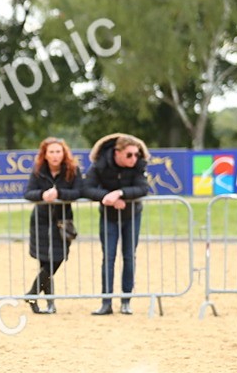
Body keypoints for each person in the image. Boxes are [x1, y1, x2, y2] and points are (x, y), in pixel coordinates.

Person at [82, 132, 150, 315]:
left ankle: (126, 301)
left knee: (129, 256)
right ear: (116, 152)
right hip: (108, 217)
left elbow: (143, 188)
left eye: (136, 155)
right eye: (129, 155)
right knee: (108, 258)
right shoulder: (100, 165)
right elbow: (86, 188)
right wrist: (106, 197)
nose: (134, 158)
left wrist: (120, 193)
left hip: (132, 215)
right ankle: (106, 302)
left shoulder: (138, 166)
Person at [22, 137, 82, 314]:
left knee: (57, 259)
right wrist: (43, 194)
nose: (55, 155)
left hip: (63, 222)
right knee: (45, 262)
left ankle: (32, 293)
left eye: (58, 151)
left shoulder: (72, 170)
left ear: (64, 154)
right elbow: (28, 193)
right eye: (51, 152)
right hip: (41, 221)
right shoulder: (38, 171)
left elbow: (79, 191)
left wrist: (59, 193)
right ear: (45, 155)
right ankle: (49, 303)